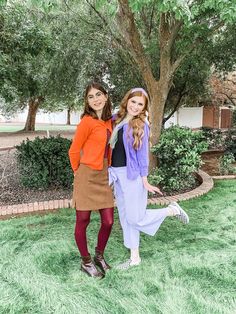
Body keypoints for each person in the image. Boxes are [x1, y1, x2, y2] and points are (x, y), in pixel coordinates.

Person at [109, 87, 189, 269]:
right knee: (125, 217)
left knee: (135, 218)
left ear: (144, 107)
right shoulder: (117, 119)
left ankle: (171, 211)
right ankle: (135, 258)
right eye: (133, 101)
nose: (135, 107)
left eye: (140, 104)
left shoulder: (141, 125)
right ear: (127, 100)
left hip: (133, 176)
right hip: (116, 174)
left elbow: (143, 155)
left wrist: (144, 180)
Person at [69, 82, 114, 278]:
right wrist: (77, 172)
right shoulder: (87, 121)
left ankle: (99, 256)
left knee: (108, 221)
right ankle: (86, 262)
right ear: (87, 101)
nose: (95, 99)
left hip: (103, 174)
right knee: (83, 220)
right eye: (90, 97)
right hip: (86, 175)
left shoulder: (109, 121)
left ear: (105, 96)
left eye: (98, 95)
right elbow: (73, 150)